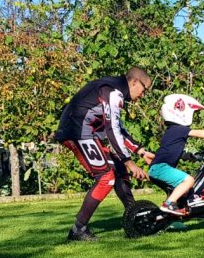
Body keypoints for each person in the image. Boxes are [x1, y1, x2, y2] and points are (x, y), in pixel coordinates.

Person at [55, 66, 155, 241]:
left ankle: (134, 217)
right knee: (105, 177)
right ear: (134, 82)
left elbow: (117, 128)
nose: (143, 95)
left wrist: (140, 151)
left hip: (85, 133)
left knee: (118, 169)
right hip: (76, 133)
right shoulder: (114, 92)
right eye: (144, 89)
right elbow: (112, 129)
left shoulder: (114, 90)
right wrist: (130, 162)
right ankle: (78, 229)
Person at [148, 93, 204, 216]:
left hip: (157, 168)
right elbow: (199, 133)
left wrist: (189, 156)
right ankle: (169, 204)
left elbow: (172, 151)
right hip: (161, 168)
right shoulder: (179, 129)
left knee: (182, 193)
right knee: (189, 181)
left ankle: (172, 220)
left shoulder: (171, 131)